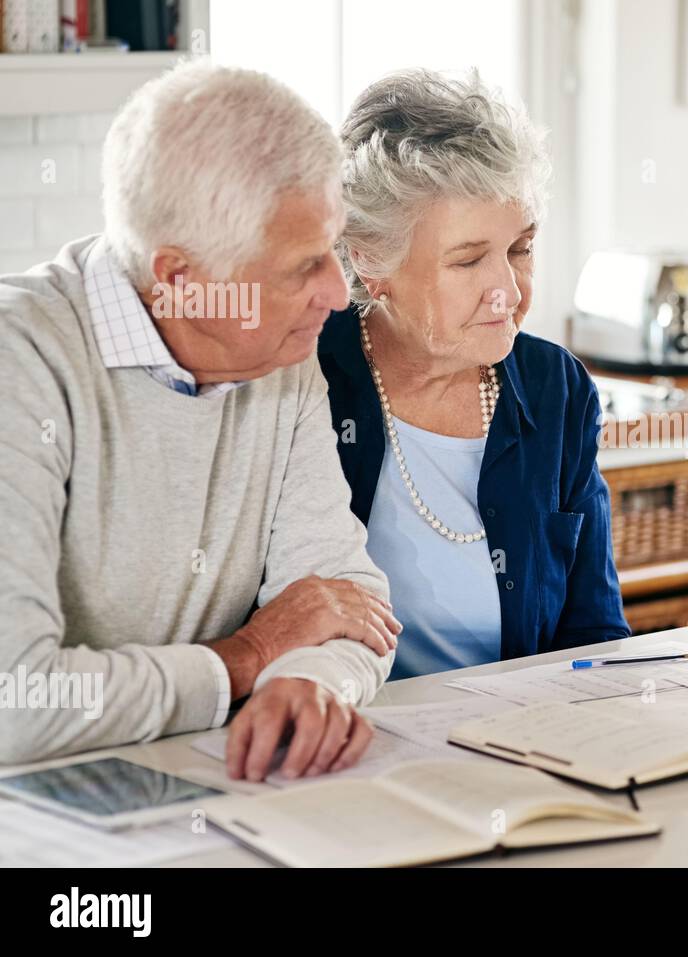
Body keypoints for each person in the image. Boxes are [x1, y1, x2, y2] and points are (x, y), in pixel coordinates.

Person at [0, 60, 401, 781]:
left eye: (333, 250)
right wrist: (244, 659)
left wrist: (303, 685)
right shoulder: (20, 362)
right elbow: (16, 698)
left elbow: (346, 599)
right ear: (182, 281)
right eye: (304, 266)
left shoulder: (278, 352)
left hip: (204, 788)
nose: (338, 295)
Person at [318, 69, 628, 679]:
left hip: (519, 743)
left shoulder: (553, 386)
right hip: (349, 740)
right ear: (370, 260)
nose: (508, 292)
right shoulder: (306, 377)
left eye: (521, 250)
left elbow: (594, 631)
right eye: (468, 260)